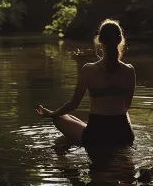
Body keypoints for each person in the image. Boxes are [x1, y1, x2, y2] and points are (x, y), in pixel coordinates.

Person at [36, 19, 136, 149]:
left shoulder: (89, 69)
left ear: (100, 40)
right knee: (70, 118)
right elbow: (126, 106)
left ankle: (63, 156)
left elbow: (73, 104)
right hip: (124, 135)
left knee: (58, 118)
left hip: (96, 136)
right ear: (120, 40)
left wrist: (50, 114)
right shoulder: (129, 70)